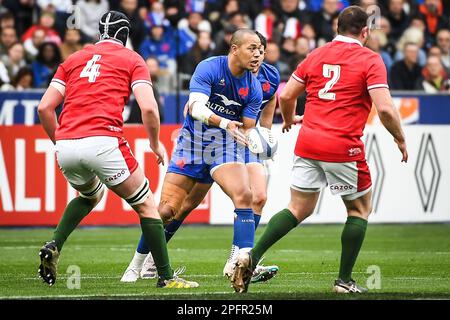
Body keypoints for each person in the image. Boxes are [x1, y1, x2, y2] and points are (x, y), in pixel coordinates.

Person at [231, 6, 408, 294]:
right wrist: (399, 138)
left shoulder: (316, 54)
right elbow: (386, 109)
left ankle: (251, 255)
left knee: (298, 207)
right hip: (342, 145)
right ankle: (344, 281)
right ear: (365, 32)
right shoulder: (370, 59)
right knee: (360, 209)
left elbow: (287, 95)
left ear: (336, 28)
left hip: (308, 142)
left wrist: (288, 120)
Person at [36, 11, 198, 289]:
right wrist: (155, 142)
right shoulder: (132, 59)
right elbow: (148, 107)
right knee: (147, 206)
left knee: (89, 195)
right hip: (103, 140)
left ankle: (55, 243)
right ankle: (166, 277)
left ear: (100, 33)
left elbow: (44, 107)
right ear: (126, 36)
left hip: (66, 144)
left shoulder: (73, 59)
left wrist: (60, 141)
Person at [122, 31, 281, 284]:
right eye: (252, 48)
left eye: (261, 50)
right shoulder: (209, 67)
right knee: (167, 210)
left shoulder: (254, 86)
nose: (258, 55)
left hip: (225, 146)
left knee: (246, 196)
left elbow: (249, 125)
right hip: (193, 143)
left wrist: (260, 138)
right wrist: (226, 122)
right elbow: (195, 107)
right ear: (234, 49)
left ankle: (241, 263)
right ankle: (137, 265)